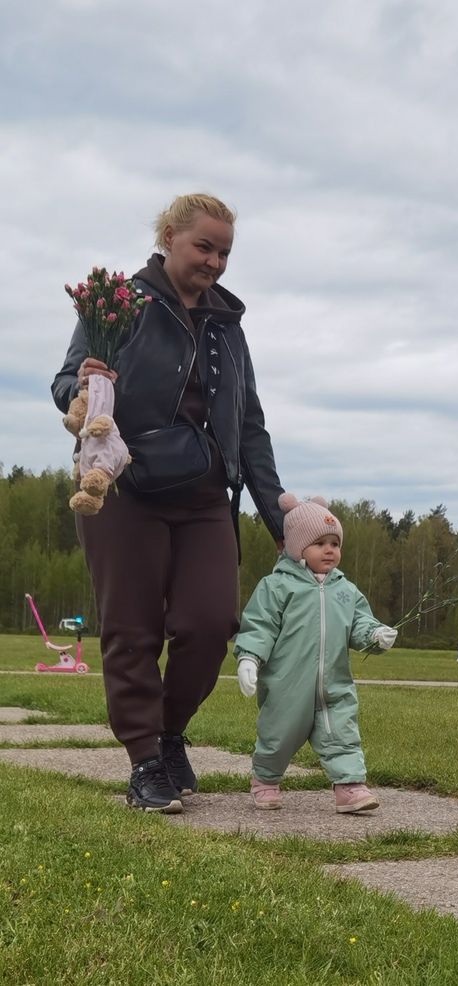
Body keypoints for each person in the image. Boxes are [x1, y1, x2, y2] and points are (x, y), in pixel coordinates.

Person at [51, 193, 285, 814]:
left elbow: (250, 427)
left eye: (224, 252)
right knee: (132, 629)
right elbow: (65, 381)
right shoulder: (118, 303)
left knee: (210, 623)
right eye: (204, 247)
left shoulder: (229, 328)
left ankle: (170, 733)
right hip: (123, 485)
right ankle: (145, 762)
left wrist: (279, 518)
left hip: (205, 495)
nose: (215, 262)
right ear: (169, 238)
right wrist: (83, 387)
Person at [234, 495, 398, 812]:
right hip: (287, 685)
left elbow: (359, 623)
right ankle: (265, 779)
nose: (329, 550)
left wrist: (375, 635)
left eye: (335, 543)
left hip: (334, 683)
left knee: (342, 732)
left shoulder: (345, 590)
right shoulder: (276, 586)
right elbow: (259, 625)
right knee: (278, 735)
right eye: (320, 543)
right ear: (297, 547)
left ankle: (349, 786)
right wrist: (249, 658)